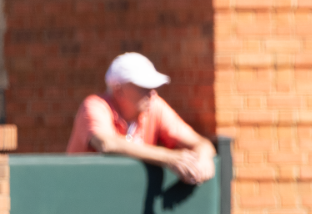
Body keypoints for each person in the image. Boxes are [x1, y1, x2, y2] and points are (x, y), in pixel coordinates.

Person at [67, 52, 216, 184]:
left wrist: (203, 158)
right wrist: (169, 157)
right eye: (143, 87)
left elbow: (201, 143)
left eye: (153, 87)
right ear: (119, 91)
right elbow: (107, 143)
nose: (151, 93)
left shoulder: (154, 105)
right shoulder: (95, 105)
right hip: (82, 197)